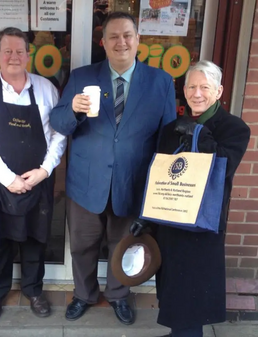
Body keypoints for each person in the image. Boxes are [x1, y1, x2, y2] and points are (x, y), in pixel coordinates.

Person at [49, 11, 176, 325]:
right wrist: (75, 111)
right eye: (113, 37)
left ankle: (119, 295)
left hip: (131, 182)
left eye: (127, 35)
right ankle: (84, 294)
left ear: (138, 40)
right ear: (103, 43)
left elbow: (167, 138)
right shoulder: (81, 77)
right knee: (82, 244)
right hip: (85, 182)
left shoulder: (161, 81)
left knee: (124, 244)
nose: (121, 42)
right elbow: (58, 123)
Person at [130, 60, 251, 337]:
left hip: (202, 226)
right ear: (184, 90)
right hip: (170, 222)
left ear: (219, 91)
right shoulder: (171, 128)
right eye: (192, 86)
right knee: (173, 287)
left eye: (204, 87)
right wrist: (145, 217)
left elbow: (223, 165)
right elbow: (158, 175)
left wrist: (199, 133)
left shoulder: (235, 128)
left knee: (193, 292)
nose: (197, 93)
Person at [0, 27, 66, 322]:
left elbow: (58, 135)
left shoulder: (46, 89)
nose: (14, 57)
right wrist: (8, 177)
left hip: (38, 180)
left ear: (28, 55)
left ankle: (34, 290)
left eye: (20, 51)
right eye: (7, 51)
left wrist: (45, 170)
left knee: (36, 238)